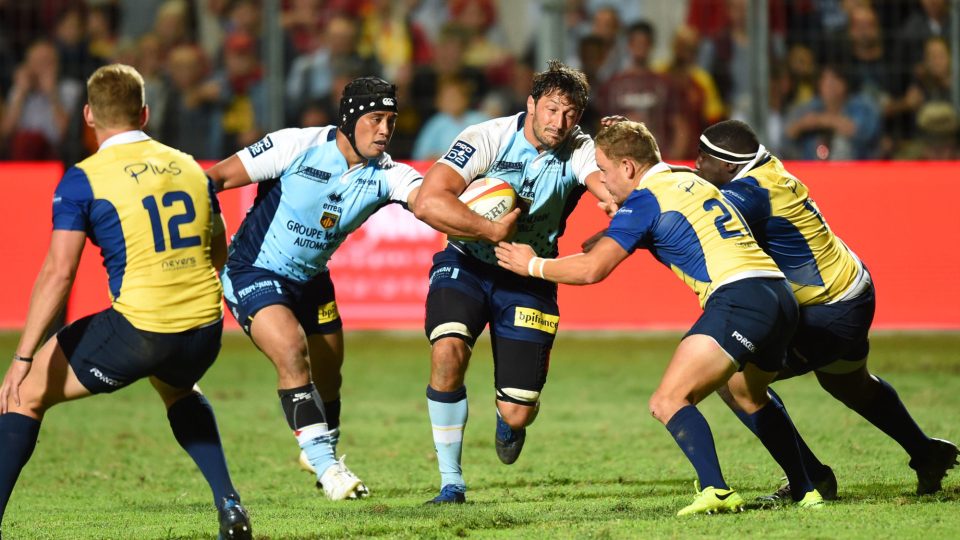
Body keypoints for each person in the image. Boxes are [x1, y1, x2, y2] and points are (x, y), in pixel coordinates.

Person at [494, 120, 825, 515]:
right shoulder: (690, 180)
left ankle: (716, 490)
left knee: (668, 400)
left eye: (605, 170)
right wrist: (614, 227)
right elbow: (667, 221)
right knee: (747, 394)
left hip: (739, 298)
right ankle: (808, 490)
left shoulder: (645, 200)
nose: (602, 180)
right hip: (779, 295)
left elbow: (591, 270)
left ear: (629, 167)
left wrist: (532, 265)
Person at [0, 64, 250, 539]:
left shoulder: (84, 179)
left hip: (142, 330)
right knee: (177, 388)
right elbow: (218, 249)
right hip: (204, 328)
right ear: (145, 113)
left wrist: (22, 356)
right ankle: (230, 505)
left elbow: (60, 271)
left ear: (89, 115)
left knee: (24, 394)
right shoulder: (190, 167)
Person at [694, 119, 959, 500]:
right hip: (853, 288)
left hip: (827, 310)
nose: (696, 165)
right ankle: (926, 452)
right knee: (847, 381)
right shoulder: (766, 168)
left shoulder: (748, 193)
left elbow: (694, 219)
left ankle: (811, 478)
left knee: (733, 380)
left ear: (730, 166)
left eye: (703, 159)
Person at [206, 76, 422, 501]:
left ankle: (321, 451)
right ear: (350, 117)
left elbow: (429, 202)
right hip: (253, 271)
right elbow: (212, 179)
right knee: (291, 350)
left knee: (330, 376)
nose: (384, 130)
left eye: (391, 121)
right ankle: (327, 467)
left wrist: (478, 220)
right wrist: (214, 245)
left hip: (312, 280)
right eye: (375, 119)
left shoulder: (389, 174)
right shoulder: (294, 145)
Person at [411, 60, 615, 504]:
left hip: (529, 273)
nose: (558, 122)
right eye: (551, 109)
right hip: (467, 260)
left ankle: (510, 420)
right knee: (447, 352)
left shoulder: (580, 148)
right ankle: (451, 483)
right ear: (531, 104)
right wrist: (487, 230)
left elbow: (605, 185)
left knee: (518, 411)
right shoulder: (486, 137)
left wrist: (614, 199)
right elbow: (428, 201)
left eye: (570, 113)